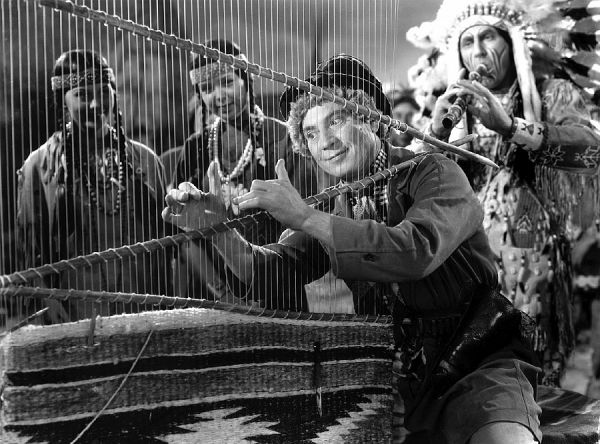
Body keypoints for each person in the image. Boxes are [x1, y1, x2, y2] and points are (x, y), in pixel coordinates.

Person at [164, 55, 542, 443]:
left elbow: (415, 250)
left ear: (372, 119)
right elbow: (273, 272)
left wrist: (305, 217)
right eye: (310, 134)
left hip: (477, 362)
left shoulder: (434, 170)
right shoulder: (334, 203)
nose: (325, 142)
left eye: (336, 120)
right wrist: (218, 231)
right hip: (395, 378)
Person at [412, 0, 600, 386]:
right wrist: (436, 133)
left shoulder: (552, 92)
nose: (478, 52)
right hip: (464, 265)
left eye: (488, 38)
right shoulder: (446, 104)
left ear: (512, 42)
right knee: (468, 381)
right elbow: (410, 182)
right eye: (468, 43)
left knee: (529, 373)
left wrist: (510, 126)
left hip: (530, 263)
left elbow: (590, 149)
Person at [16, 49, 168, 323]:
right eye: (83, 95)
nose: (96, 104)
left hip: (145, 316)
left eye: (103, 92)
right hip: (76, 321)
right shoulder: (40, 166)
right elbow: (34, 264)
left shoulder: (145, 160)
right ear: (63, 101)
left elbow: (165, 250)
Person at [171, 39, 316, 301]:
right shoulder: (195, 148)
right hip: (212, 295)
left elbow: (303, 222)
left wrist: (260, 278)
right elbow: (185, 233)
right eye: (207, 88)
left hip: (275, 286)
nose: (219, 96)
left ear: (247, 79)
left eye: (227, 82)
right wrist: (222, 292)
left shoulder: (283, 139)